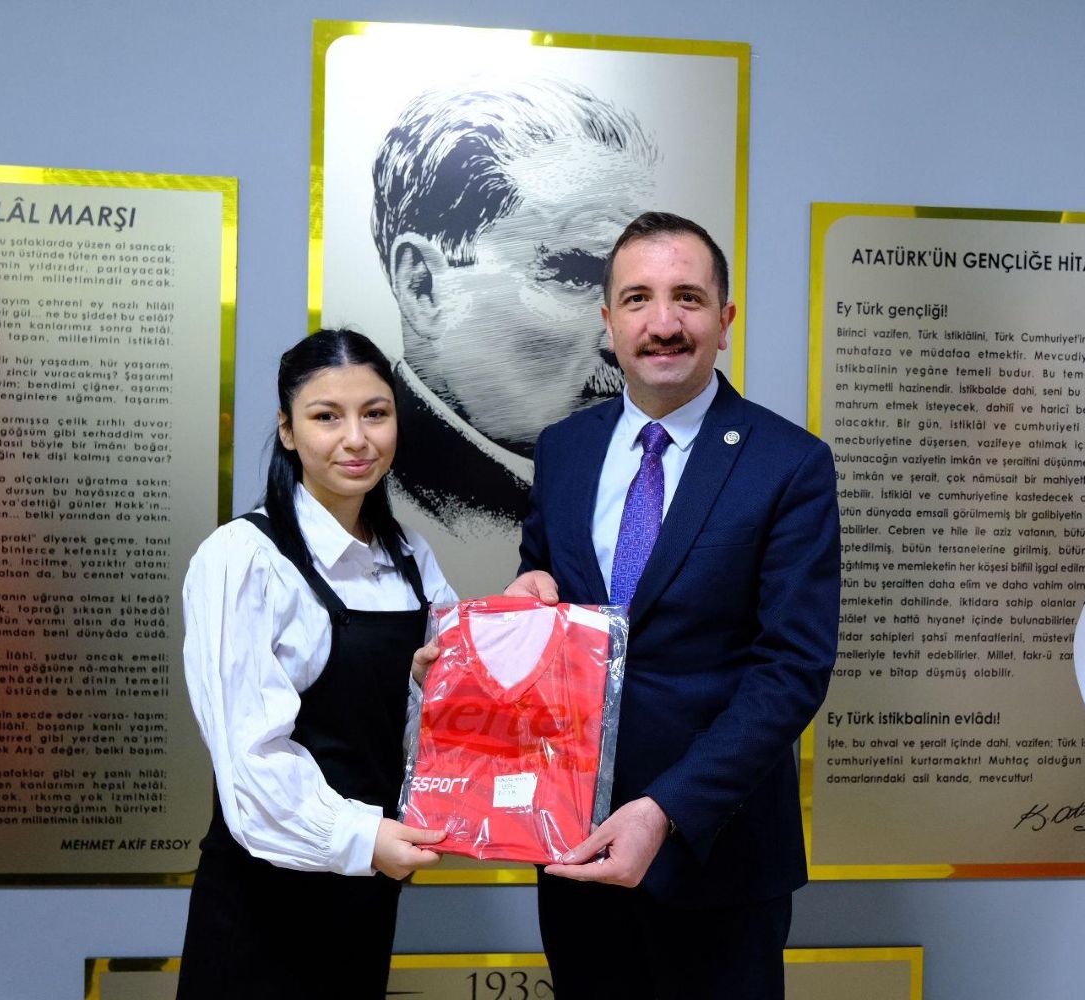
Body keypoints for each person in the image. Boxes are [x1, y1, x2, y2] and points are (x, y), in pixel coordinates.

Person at [508, 212, 842, 998]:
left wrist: (666, 809)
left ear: (725, 320)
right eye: (638, 299)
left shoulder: (790, 465)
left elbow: (792, 669)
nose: (663, 323)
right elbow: (545, 585)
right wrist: (529, 593)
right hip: (576, 849)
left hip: (716, 858)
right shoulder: (564, 449)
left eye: (687, 298)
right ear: (608, 321)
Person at [177, 330, 453, 998]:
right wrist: (363, 838)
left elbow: (434, 733)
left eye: (375, 414)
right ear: (288, 430)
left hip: (366, 896)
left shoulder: (412, 561)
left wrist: (437, 691)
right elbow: (250, 765)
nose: (356, 439)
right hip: (263, 907)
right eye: (327, 416)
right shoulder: (243, 558)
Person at [370, 78, 658, 537]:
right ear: (422, 286)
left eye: (636, 294)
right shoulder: (352, 512)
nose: (626, 335)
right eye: (574, 275)